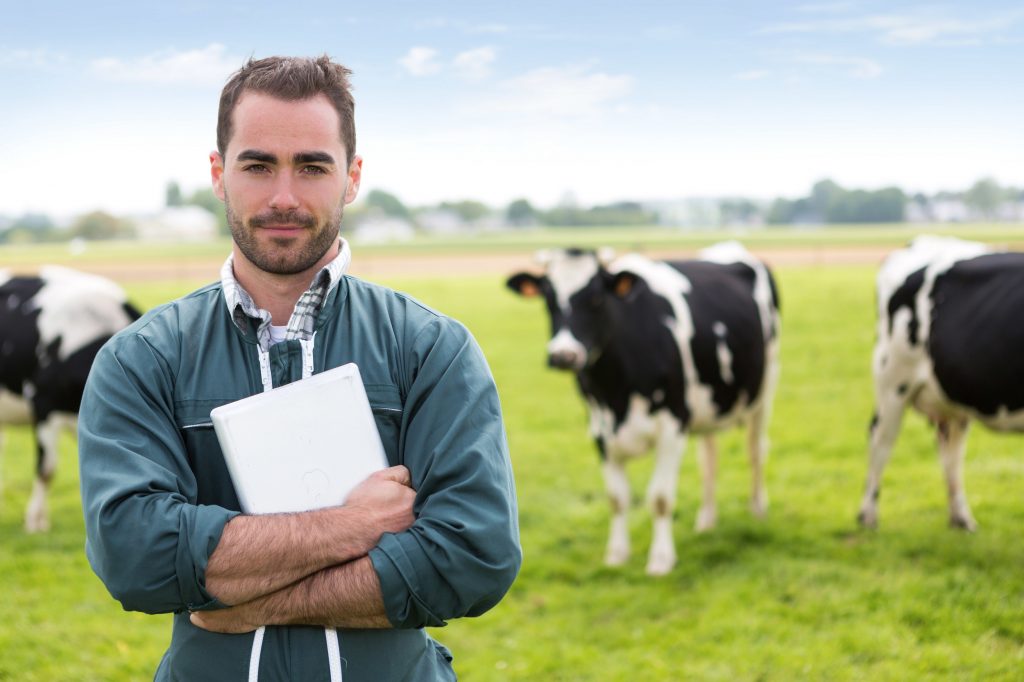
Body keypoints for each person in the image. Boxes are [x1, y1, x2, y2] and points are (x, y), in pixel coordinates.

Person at [78, 55, 522, 682]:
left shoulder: (430, 348)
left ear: (352, 177)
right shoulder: (143, 358)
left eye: (312, 167)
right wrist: (358, 524)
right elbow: (135, 556)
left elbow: (473, 557)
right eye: (257, 165)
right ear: (218, 173)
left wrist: (241, 602)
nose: (283, 197)